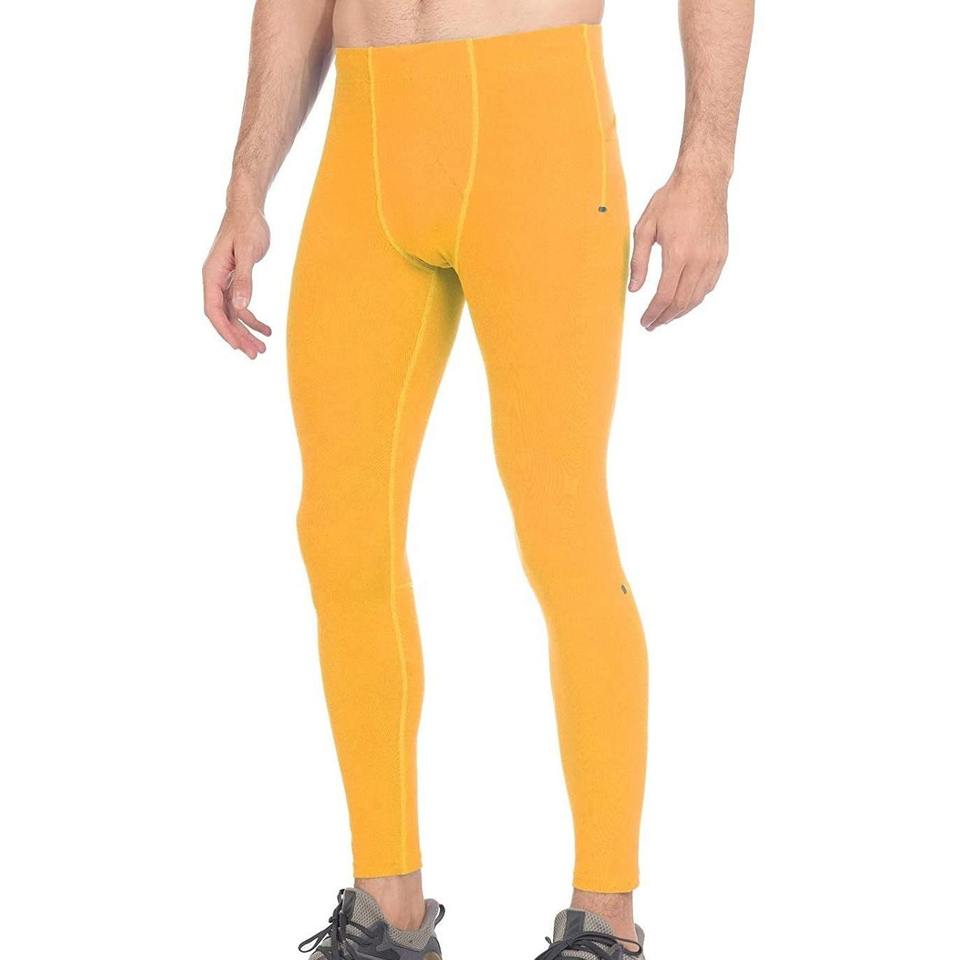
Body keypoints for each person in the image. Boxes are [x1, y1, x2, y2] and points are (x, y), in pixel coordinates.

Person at [202, 1, 753, 956]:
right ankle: (389, 910)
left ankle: (605, 922)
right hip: (366, 148)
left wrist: (705, 169)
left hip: (536, 133)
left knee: (561, 526)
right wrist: (245, 186)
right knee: (340, 532)